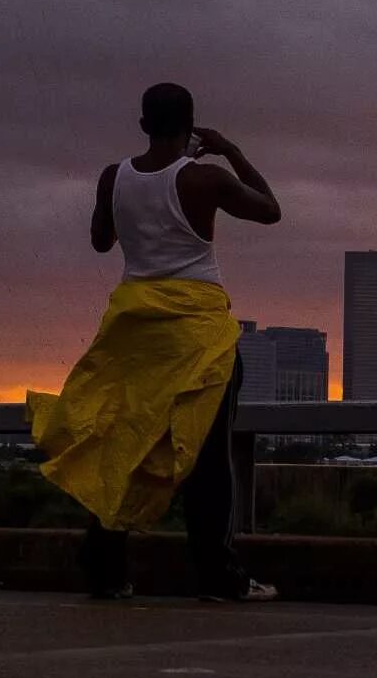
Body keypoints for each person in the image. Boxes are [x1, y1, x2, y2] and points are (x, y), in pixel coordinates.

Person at [28, 84, 284, 602]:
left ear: (143, 124)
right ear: (192, 129)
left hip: (137, 331)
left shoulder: (113, 177)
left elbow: (103, 241)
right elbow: (269, 210)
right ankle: (218, 576)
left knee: (124, 442)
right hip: (197, 336)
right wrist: (231, 150)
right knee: (208, 457)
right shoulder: (206, 177)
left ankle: (104, 564)